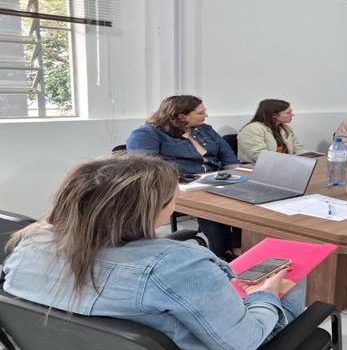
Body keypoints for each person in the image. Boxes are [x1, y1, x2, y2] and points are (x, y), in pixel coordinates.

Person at [2, 155, 306, 350]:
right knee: (289, 280)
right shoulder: (178, 266)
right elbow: (243, 343)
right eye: (172, 198)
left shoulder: (27, 246)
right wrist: (265, 296)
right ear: (152, 210)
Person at [126, 95, 241, 259]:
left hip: (217, 179)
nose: (205, 116)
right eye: (200, 113)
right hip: (180, 184)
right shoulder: (148, 134)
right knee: (215, 211)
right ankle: (219, 254)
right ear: (181, 116)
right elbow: (147, 168)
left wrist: (236, 173)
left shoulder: (205, 129)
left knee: (243, 203)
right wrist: (189, 174)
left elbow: (226, 153)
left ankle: (238, 249)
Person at [238, 99, 304, 163]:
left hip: (283, 165)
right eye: (288, 113)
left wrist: (309, 157)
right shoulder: (252, 129)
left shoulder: (286, 128)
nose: (292, 115)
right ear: (274, 115)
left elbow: (297, 149)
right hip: (257, 167)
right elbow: (259, 156)